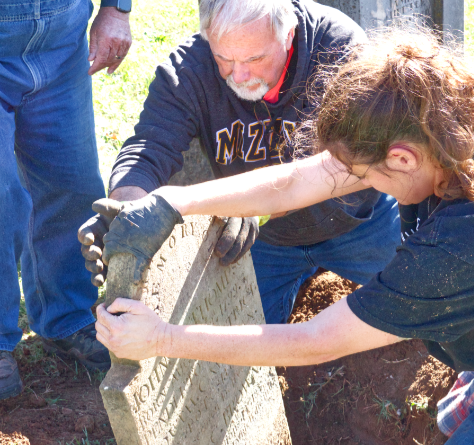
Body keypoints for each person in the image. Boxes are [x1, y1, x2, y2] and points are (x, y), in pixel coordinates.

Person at [94, 29, 474, 445]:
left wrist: (163, 337)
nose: (360, 184)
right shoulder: (458, 120)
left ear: (400, 158)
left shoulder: (469, 244)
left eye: (368, 176)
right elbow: (304, 180)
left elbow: (315, 340)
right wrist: (172, 203)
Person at [79, 0, 400, 326]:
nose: (239, 75)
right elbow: (148, 150)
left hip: (355, 221)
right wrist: (128, 210)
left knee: (423, 302)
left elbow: (347, 165)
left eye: (255, 58)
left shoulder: (341, 51)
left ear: (288, 34)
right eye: (223, 58)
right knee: (230, 345)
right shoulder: (191, 70)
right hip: (264, 242)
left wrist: (248, 207)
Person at [0, 0, 132, 401]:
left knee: (72, 184)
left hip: (61, 40)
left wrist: (116, 8)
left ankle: (67, 315)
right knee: (3, 201)